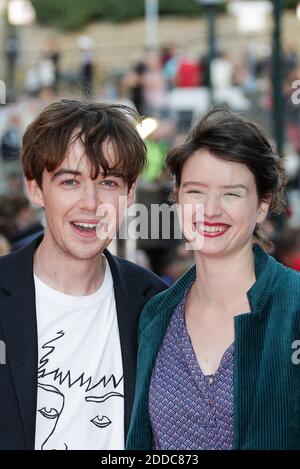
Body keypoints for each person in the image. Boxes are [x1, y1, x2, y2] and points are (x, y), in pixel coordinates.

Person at [126, 109, 300, 450]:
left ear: (263, 205)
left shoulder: (293, 306)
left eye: (232, 194)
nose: (210, 210)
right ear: (176, 199)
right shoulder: (155, 316)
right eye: (195, 192)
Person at [0, 99, 166, 450]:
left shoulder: (152, 303)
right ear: (35, 189)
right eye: (70, 182)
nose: (90, 202)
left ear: (129, 193)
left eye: (107, 182)